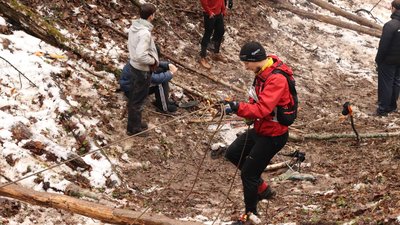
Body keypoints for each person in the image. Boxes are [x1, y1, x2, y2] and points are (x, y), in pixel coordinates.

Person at [223, 41, 294, 225]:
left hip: (274, 136)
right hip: (261, 128)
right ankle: (262, 189)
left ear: (255, 59)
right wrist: (242, 109)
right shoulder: (262, 73)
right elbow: (255, 100)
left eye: (246, 62)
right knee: (233, 153)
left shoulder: (276, 79)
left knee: (248, 174)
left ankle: (250, 215)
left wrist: (238, 108)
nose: (245, 66)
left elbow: (263, 108)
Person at [126, 3, 158, 136]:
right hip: (142, 69)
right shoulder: (144, 33)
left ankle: (135, 123)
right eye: (154, 14)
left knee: (135, 97)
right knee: (138, 99)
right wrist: (153, 61)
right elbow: (140, 54)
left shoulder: (135, 27)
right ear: (150, 16)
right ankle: (134, 129)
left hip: (133, 66)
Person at [375, 0, 400, 116]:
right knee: (396, 82)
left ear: (394, 8)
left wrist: (378, 60)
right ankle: (392, 106)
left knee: (386, 83)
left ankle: (383, 109)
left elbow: (383, 45)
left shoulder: (390, 25)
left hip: (388, 60)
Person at [199, 0, 233, 69]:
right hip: (209, 14)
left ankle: (215, 53)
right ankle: (202, 57)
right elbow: (203, 1)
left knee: (221, 31)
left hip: (218, 13)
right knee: (208, 33)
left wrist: (223, 9)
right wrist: (209, 12)